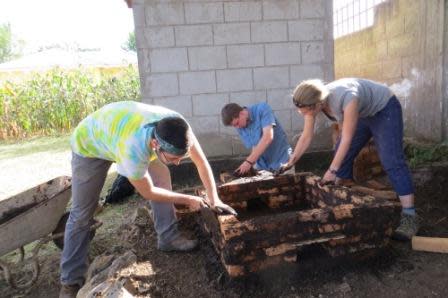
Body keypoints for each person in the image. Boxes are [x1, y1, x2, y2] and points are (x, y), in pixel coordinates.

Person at [59, 101, 234, 298]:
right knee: (82, 214)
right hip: (90, 144)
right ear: (155, 145)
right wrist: (188, 199)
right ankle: (71, 281)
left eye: (181, 158)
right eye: (173, 158)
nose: (177, 163)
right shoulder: (133, 149)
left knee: (163, 176)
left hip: (118, 131)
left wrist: (215, 198)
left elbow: (201, 163)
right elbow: (148, 192)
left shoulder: (179, 129)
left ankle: (168, 237)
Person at [281, 78, 419, 241]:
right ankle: (343, 196)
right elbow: (306, 136)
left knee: (391, 160)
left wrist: (332, 171)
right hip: (362, 114)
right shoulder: (312, 101)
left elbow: (347, 138)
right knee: (341, 157)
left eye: (305, 112)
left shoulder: (347, 96)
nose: (303, 115)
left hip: (384, 109)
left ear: (317, 104)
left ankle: (410, 215)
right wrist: (291, 162)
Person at [221, 102, 292, 175]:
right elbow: (255, 146)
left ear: (241, 113)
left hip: (282, 163)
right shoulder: (240, 126)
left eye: (237, 123)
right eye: (234, 126)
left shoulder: (262, 109)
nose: (237, 127)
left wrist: (248, 162)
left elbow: (268, 137)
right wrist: (247, 166)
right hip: (262, 168)